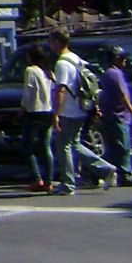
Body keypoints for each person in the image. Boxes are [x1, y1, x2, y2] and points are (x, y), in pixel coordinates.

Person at [50, 31, 114, 194]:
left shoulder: (61, 64)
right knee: (75, 144)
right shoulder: (75, 58)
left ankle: (67, 184)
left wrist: (56, 113)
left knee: (63, 146)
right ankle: (105, 169)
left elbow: (61, 89)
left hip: (68, 111)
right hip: (81, 108)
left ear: (57, 42)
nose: (50, 45)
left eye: (51, 42)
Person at [98, 45, 132, 187]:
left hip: (113, 115)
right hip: (118, 115)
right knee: (123, 146)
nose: (124, 60)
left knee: (115, 147)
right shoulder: (115, 74)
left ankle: (107, 172)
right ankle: (124, 175)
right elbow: (122, 95)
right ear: (115, 58)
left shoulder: (109, 73)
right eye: (122, 57)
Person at [20, 44, 56, 193]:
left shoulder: (30, 70)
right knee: (45, 146)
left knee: (27, 147)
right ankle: (49, 181)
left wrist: (22, 108)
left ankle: (37, 179)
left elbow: (28, 92)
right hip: (48, 111)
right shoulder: (49, 72)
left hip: (34, 111)